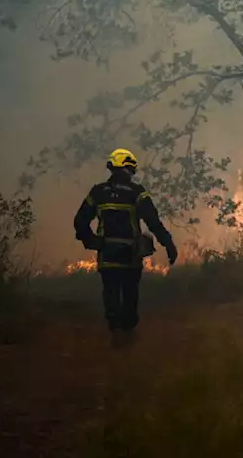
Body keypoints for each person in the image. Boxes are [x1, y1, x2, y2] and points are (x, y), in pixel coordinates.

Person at [74, 148, 178, 346]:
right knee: (130, 292)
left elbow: (80, 221)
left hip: (107, 254)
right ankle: (127, 331)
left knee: (111, 290)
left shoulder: (98, 192)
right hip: (130, 254)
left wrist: (91, 241)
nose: (131, 174)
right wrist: (168, 243)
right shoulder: (137, 193)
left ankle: (116, 329)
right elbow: (153, 221)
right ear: (125, 168)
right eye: (130, 169)